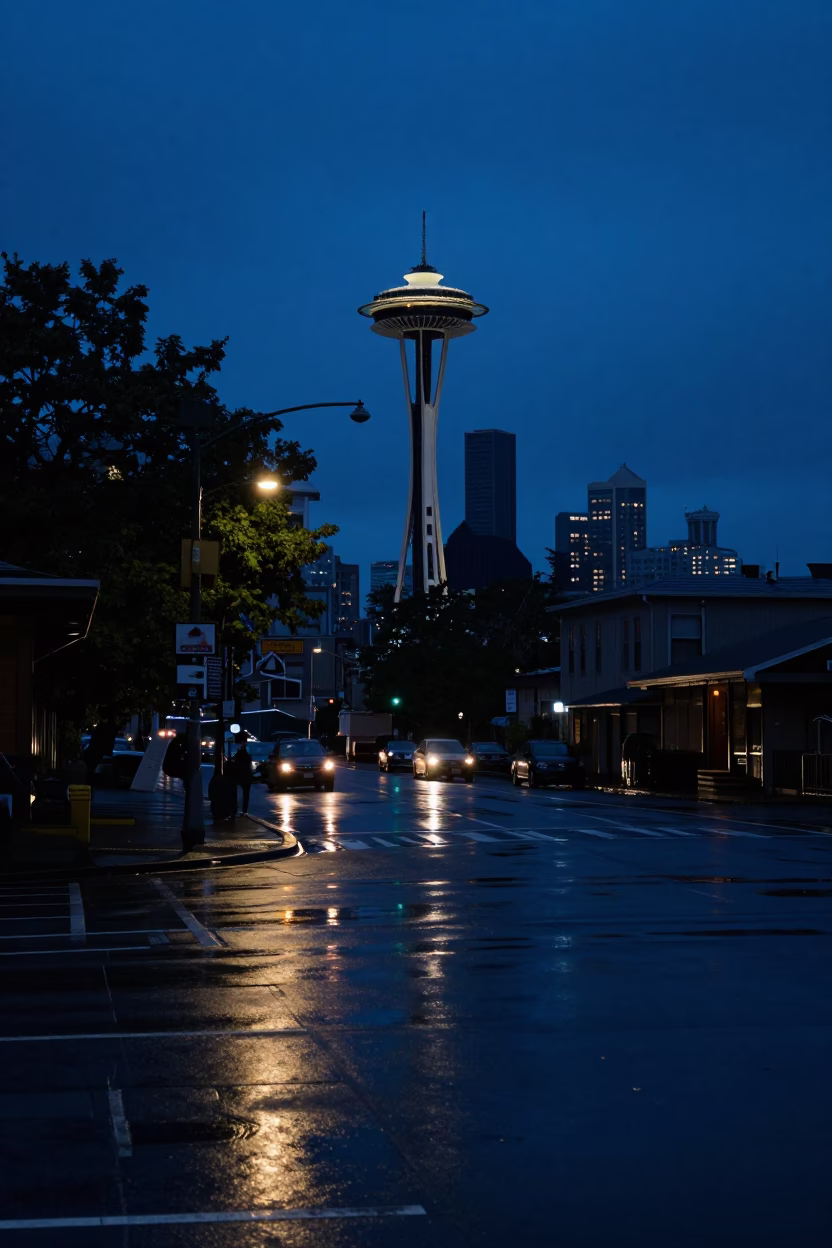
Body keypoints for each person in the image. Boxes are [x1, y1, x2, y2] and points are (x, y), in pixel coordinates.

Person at [230, 742, 253, 815]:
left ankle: (235, 809)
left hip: (238, 776)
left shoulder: (238, 755)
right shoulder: (248, 756)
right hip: (247, 777)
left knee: (235, 793)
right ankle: (244, 810)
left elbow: (233, 761)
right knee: (246, 795)